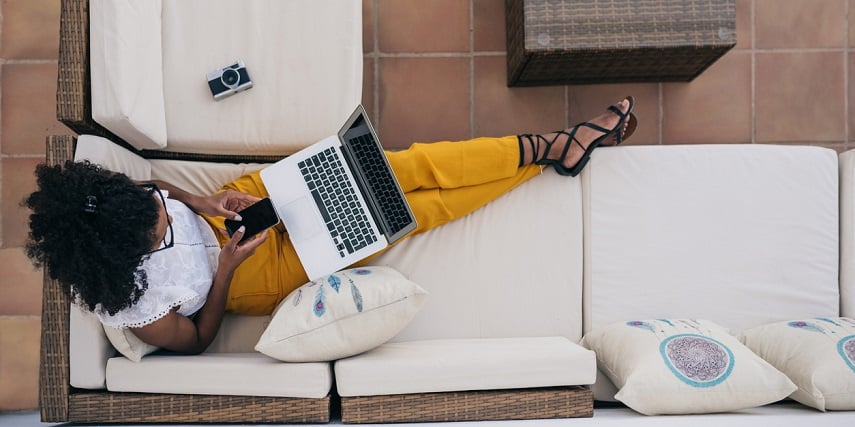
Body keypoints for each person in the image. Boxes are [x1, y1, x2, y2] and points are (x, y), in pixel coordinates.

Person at [25, 97, 636, 355]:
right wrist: (227, 272)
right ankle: (555, 154)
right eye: (160, 231)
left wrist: (205, 205)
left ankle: (550, 144)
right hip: (252, 275)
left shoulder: (108, 202)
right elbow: (200, 337)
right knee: (411, 212)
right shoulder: (128, 304)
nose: (164, 216)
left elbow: (154, 189)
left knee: (407, 166)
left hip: (246, 203)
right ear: (124, 258)